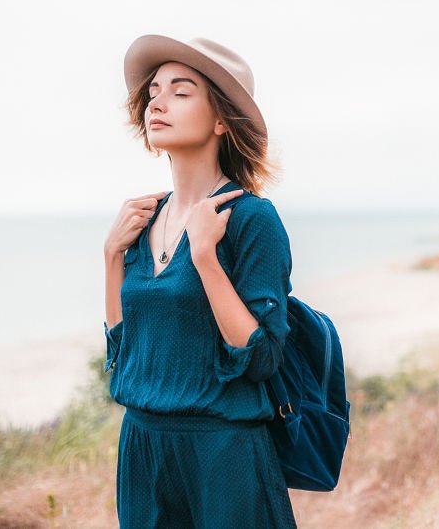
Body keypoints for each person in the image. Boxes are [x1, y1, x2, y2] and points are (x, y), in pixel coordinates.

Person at [102, 35, 298, 528]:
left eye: (181, 91)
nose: (158, 103)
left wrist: (206, 257)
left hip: (222, 453)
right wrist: (111, 258)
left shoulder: (251, 219)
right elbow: (123, 354)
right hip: (143, 450)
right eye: (153, 93)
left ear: (220, 121)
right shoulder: (143, 219)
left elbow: (260, 357)